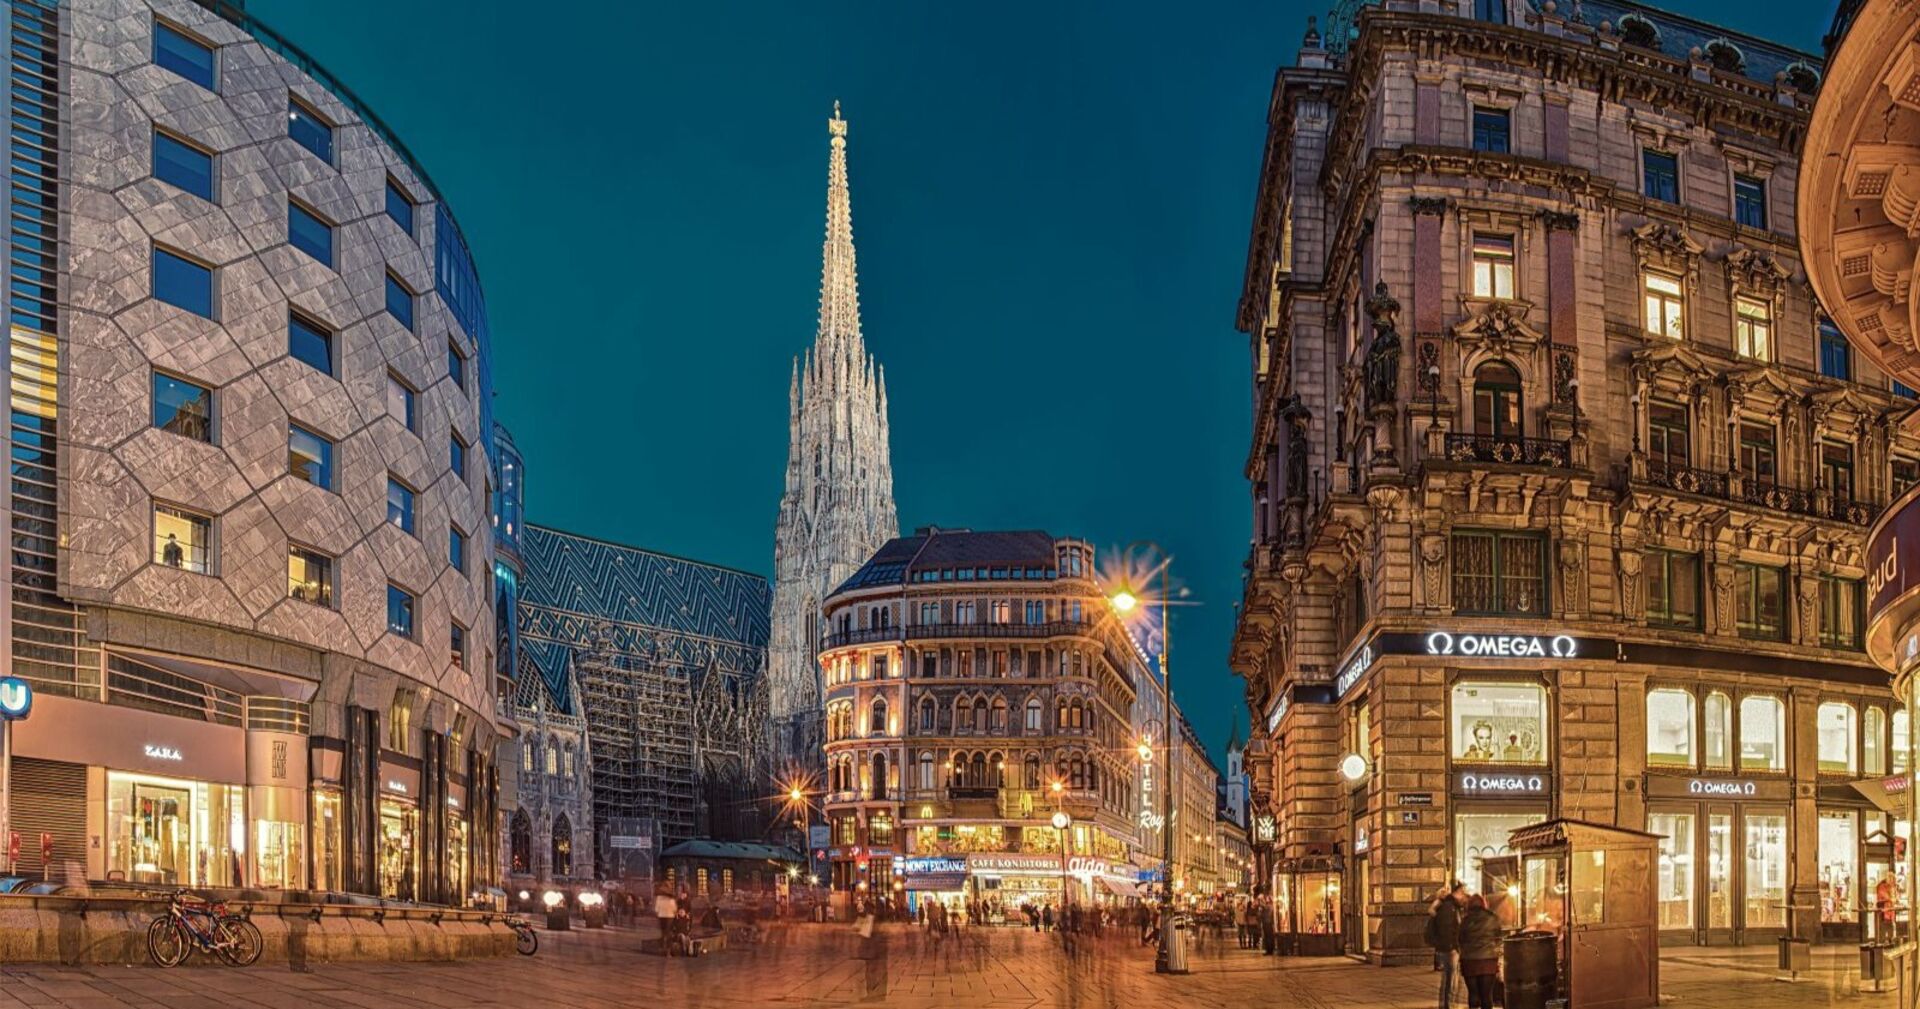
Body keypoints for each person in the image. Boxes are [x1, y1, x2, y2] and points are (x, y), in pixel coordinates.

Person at [1425, 884, 1466, 1009]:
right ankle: (1447, 1006)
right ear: (1456, 892)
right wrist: (1453, 947)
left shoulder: (1451, 906)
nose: (1464, 895)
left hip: (1449, 948)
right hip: (1450, 950)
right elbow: (1447, 929)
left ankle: (1447, 1005)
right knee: (1450, 981)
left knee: (1450, 980)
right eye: (1462, 892)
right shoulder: (1449, 907)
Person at [1458, 894, 1501, 1009]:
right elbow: (1498, 936)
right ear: (1483, 904)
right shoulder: (1492, 918)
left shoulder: (1465, 920)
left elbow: (1460, 938)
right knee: (1486, 995)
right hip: (1488, 960)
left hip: (1469, 961)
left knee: (1473, 994)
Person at [654, 888, 679, 954]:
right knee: (668, 932)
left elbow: (656, 909)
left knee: (663, 932)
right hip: (669, 916)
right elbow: (674, 909)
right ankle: (668, 949)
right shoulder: (671, 898)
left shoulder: (659, 898)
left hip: (661, 915)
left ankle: (662, 947)